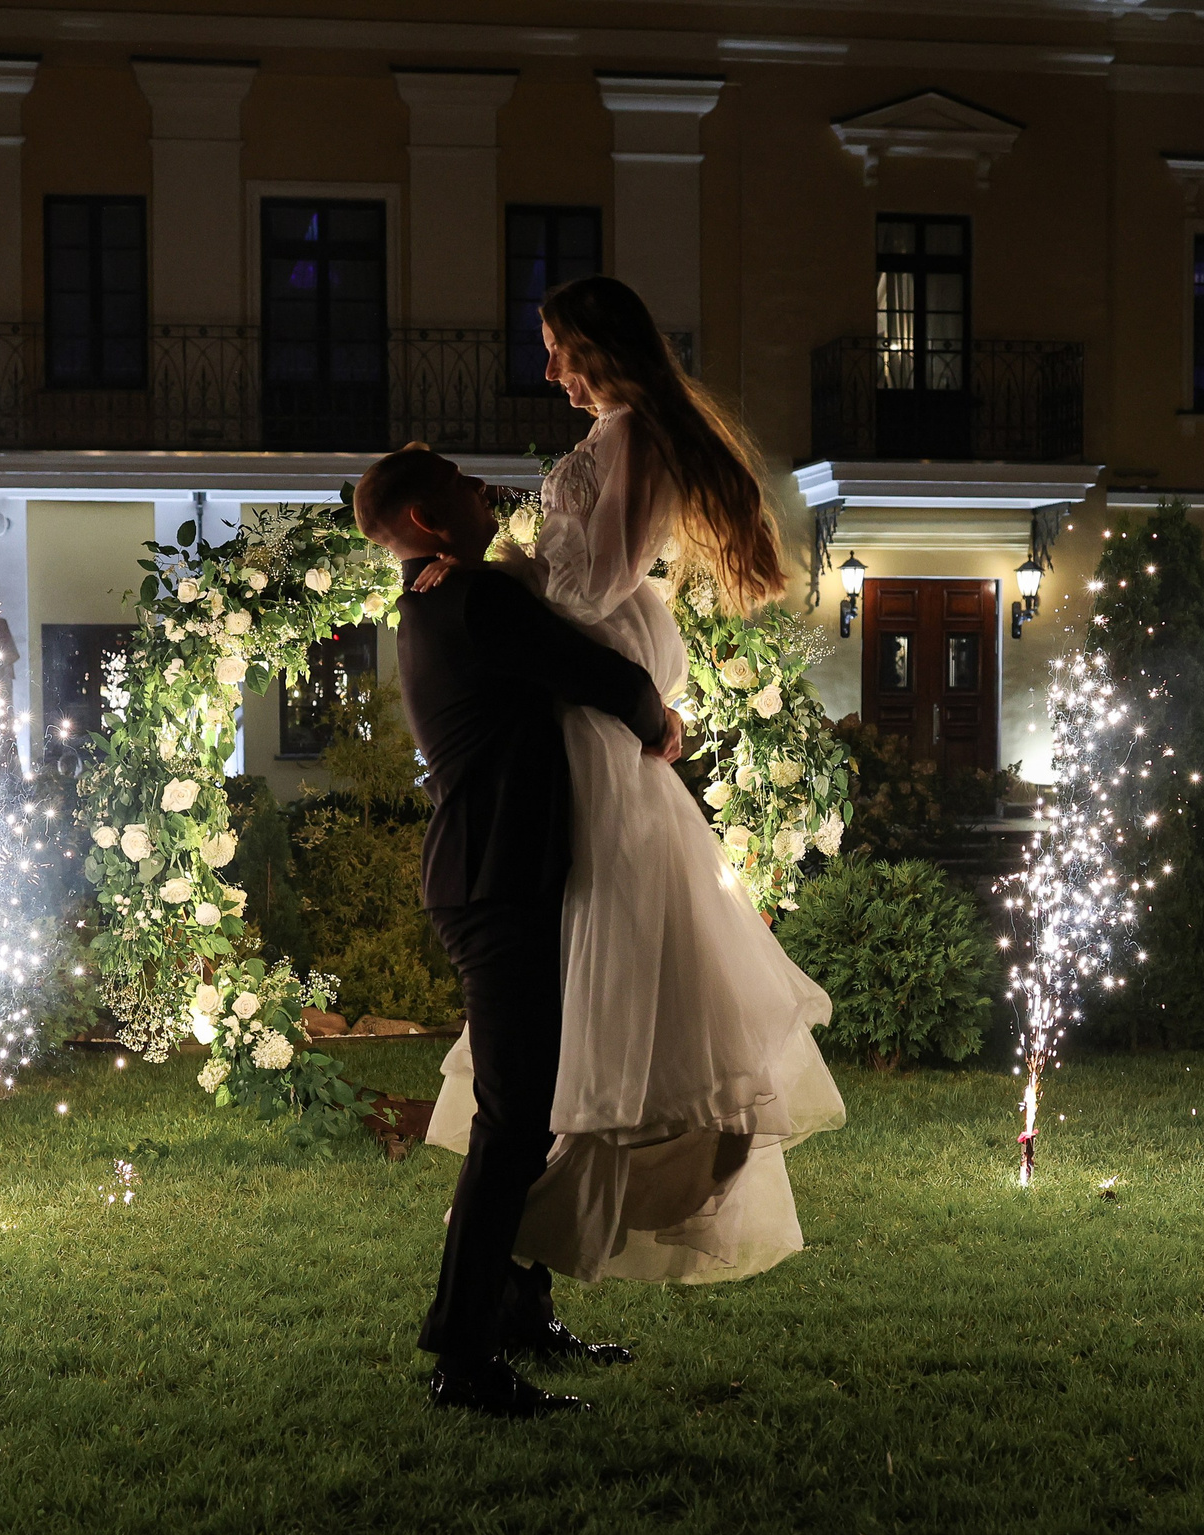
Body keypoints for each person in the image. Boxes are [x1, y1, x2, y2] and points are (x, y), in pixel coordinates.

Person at [416, 276, 845, 1301]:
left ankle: (512, 1286)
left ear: (601, 346)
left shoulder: (630, 436)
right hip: (581, 714)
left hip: (592, 718)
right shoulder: (618, 436)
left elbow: (593, 584)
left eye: (559, 347)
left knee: (588, 948)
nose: (551, 368)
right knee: (561, 980)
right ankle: (517, 1285)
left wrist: (489, 576)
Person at [352, 446, 682, 1419]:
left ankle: (517, 1314)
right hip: (494, 886)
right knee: (513, 1124)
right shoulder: (473, 603)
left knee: (533, 1114)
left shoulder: (445, 596)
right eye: (457, 482)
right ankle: (462, 1359)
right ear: (420, 518)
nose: (481, 489)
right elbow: (584, 668)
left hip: (500, 878)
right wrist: (649, 712)